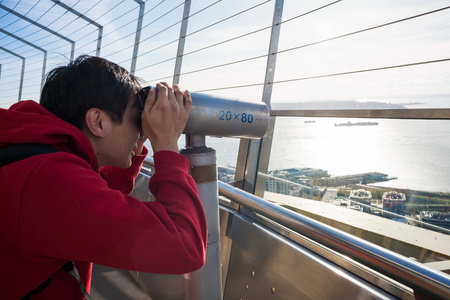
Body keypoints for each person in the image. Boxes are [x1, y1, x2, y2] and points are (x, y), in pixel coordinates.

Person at [0, 55, 207, 299]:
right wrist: (167, 143)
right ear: (97, 121)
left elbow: (99, 193)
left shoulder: (40, 151)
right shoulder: (50, 181)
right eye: (136, 120)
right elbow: (184, 245)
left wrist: (138, 141)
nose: (141, 129)